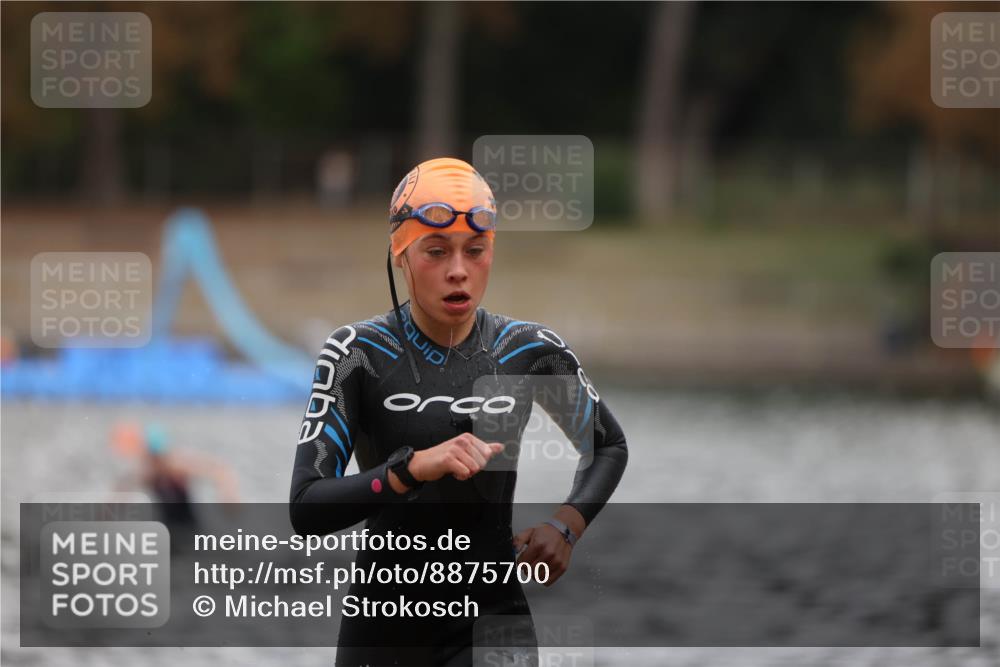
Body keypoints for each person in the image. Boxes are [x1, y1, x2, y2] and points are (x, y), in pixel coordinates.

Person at [289, 157, 628, 666]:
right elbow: (307, 507)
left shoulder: (526, 350)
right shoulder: (357, 355)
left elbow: (608, 446)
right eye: (435, 251)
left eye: (475, 251)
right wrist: (408, 470)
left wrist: (566, 526)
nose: (458, 270)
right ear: (400, 255)